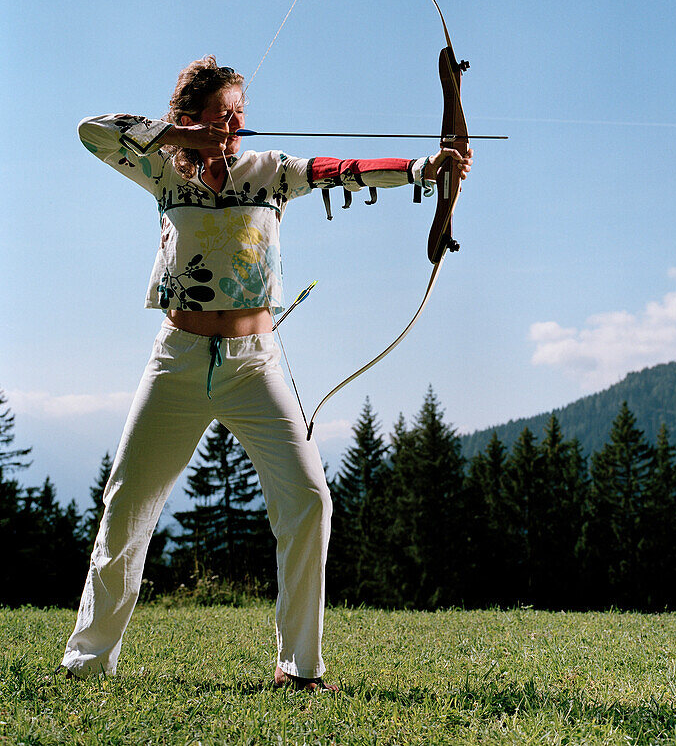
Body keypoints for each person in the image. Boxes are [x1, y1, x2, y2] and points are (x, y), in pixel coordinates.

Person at [61, 55, 471, 690]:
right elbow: (92, 130)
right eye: (221, 117)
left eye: (238, 118)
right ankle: (87, 664)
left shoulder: (269, 170)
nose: (232, 129)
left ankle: (300, 668)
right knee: (127, 503)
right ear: (190, 117)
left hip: (255, 363)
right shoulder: (160, 166)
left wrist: (425, 168)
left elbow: (340, 168)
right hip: (177, 359)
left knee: (308, 500)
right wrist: (178, 137)